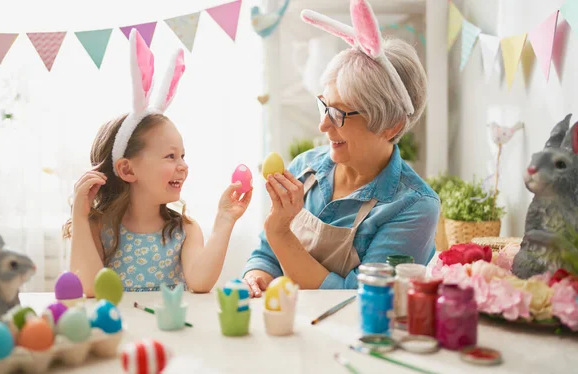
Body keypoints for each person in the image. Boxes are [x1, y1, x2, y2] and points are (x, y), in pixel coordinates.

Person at [242, 0, 439, 296]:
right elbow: (267, 255)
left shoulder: (414, 207)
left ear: (392, 126)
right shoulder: (304, 168)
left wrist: (280, 233)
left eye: (340, 114)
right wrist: (256, 277)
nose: (323, 125)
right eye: (324, 106)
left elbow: (358, 295)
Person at [64, 30, 252, 295]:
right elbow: (90, 290)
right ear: (127, 169)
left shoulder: (184, 230)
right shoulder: (98, 228)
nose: (183, 166)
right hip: (121, 335)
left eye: (183, 156)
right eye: (170, 156)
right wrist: (80, 218)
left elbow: (200, 283)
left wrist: (224, 221)